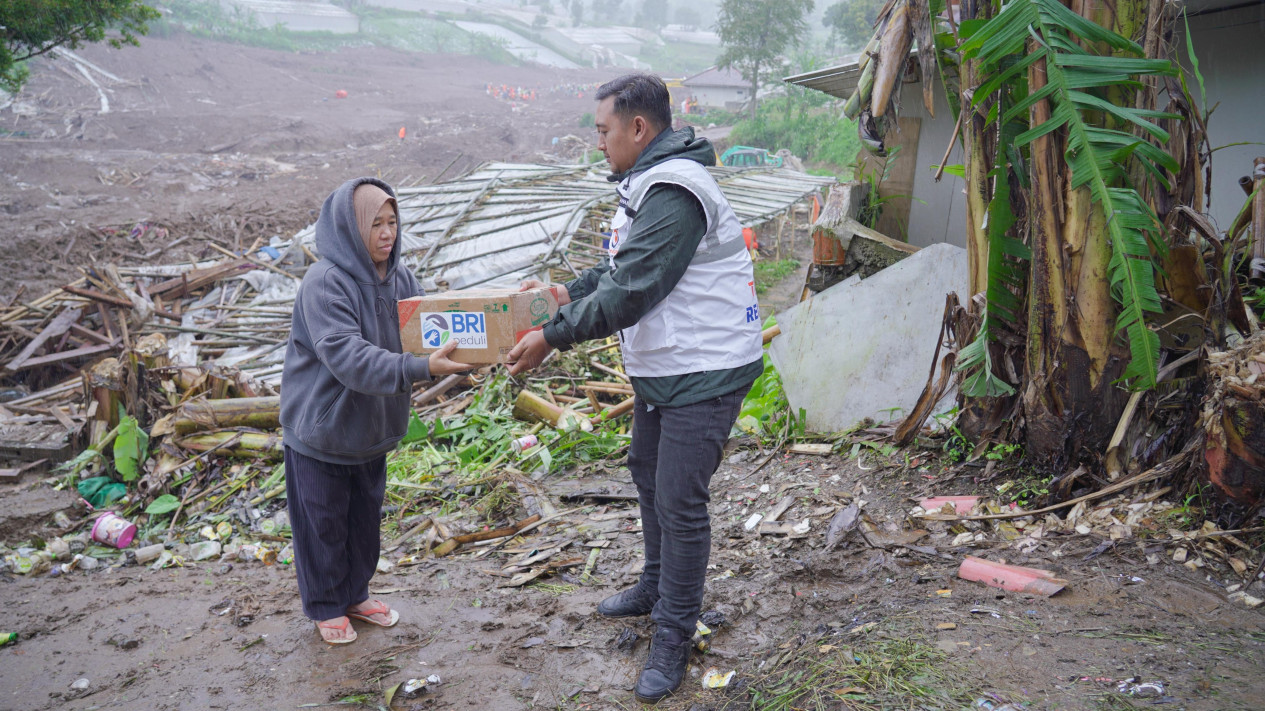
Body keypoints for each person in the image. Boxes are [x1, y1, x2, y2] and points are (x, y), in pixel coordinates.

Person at [506, 73, 763, 703]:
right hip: (669, 367)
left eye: (603, 131)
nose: (598, 143)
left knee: (679, 501)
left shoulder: (675, 190)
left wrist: (552, 333)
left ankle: (673, 636)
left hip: (705, 370)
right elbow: (621, 264)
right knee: (645, 471)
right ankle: (655, 585)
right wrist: (572, 291)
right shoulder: (648, 182)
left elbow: (635, 289)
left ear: (638, 129)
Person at [280, 177, 472, 645]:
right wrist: (423, 366)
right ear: (348, 228)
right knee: (323, 523)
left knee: (364, 521)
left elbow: (432, 330)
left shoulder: (401, 279)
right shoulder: (325, 283)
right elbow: (347, 356)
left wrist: (482, 349)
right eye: (375, 224)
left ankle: (355, 593)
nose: (388, 233)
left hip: (371, 427)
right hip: (322, 429)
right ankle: (326, 604)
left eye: (392, 221)